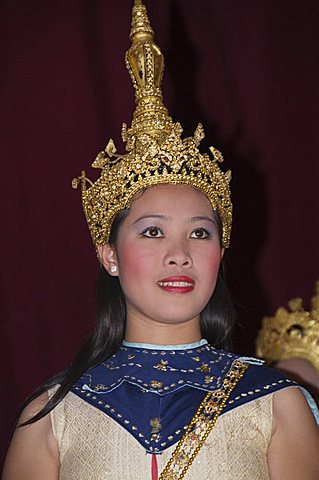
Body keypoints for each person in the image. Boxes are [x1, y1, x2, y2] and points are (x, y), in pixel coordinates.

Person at [2, 1, 319, 479]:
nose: (179, 254)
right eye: (152, 231)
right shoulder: (52, 418)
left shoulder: (276, 403)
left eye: (200, 233)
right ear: (109, 255)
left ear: (219, 254)